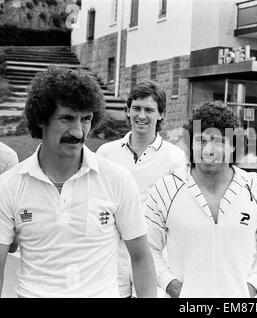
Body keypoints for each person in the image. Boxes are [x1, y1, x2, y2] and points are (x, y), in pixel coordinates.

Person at [0, 66, 157, 298]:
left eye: (86, 119)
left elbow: (142, 256)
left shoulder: (116, 179)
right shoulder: (9, 185)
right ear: (42, 119)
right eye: (67, 118)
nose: (78, 131)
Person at [145, 101, 257, 298]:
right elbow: (148, 247)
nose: (209, 150)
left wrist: (252, 286)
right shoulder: (166, 188)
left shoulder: (256, 188)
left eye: (219, 141)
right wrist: (171, 285)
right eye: (201, 140)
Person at [97, 80, 187, 298]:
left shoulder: (175, 158)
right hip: (111, 256)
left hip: (152, 255)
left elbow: (178, 212)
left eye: (149, 110)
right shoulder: (105, 154)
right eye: (136, 108)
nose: (142, 115)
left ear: (161, 115)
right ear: (127, 111)